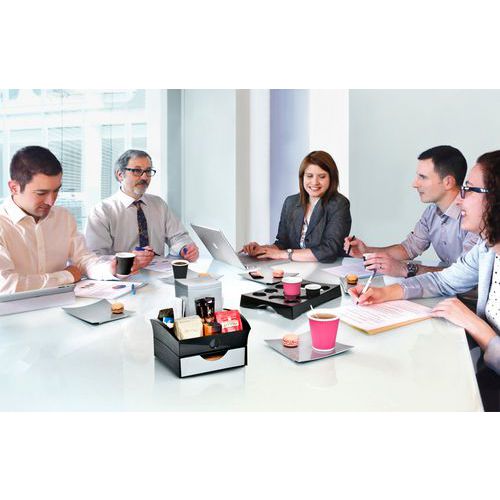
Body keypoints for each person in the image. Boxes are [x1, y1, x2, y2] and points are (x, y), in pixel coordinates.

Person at [349, 150, 500, 410]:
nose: (460, 200)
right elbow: (442, 281)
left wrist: (476, 325)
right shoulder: (486, 249)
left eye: (469, 190)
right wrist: (385, 293)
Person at [0, 146, 135, 294]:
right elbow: (6, 285)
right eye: (41, 193)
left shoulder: (63, 217)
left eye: (56, 190)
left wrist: (109, 269)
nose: (51, 201)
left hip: (65, 304)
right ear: (14, 188)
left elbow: (83, 260)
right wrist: (67, 276)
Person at [343, 145, 479, 277]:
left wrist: (406, 269)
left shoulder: (475, 216)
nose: (414, 184)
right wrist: (366, 251)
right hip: (448, 288)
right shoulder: (431, 212)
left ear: (448, 182)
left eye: (423, 177)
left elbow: (466, 274)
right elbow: (408, 249)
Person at [85, 149, 198, 267]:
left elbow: (179, 236)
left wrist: (185, 248)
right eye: (137, 171)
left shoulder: (159, 204)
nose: (144, 177)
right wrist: (128, 258)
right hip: (123, 275)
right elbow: (94, 257)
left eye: (148, 171)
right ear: (120, 175)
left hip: (161, 273)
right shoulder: (101, 211)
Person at [242, 150, 351, 263]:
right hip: (295, 268)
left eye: (322, 177)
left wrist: (283, 254)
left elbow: (329, 250)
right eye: (309, 176)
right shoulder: (290, 202)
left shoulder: (339, 204)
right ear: (302, 177)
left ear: (331, 178)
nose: (314, 182)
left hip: (326, 268)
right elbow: (282, 243)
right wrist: (262, 249)